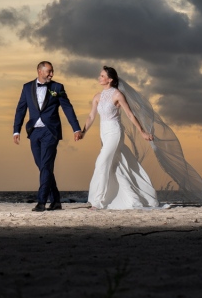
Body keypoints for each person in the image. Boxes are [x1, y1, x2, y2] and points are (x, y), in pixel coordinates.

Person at [82, 66, 160, 209]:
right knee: (115, 165)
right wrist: (83, 132)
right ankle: (130, 197)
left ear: (110, 79)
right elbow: (91, 116)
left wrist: (142, 132)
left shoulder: (117, 95)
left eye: (102, 76)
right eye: (100, 75)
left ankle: (97, 201)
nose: (99, 78)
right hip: (104, 134)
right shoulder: (97, 96)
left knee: (101, 162)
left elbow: (130, 115)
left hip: (115, 132)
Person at [13, 61, 83, 212]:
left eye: (52, 71)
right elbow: (21, 109)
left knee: (45, 166)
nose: (52, 74)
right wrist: (16, 130)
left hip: (50, 131)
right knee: (43, 166)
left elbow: (67, 108)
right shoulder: (27, 87)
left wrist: (76, 128)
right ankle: (56, 200)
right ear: (40, 71)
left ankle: (41, 202)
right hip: (33, 132)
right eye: (49, 71)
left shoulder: (57, 87)